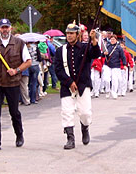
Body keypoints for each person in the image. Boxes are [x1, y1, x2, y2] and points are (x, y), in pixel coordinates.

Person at [0, 18, 32, 152]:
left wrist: (16, 70)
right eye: (2, 27)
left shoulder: (19, 43)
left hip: (12, 83)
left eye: (7, 27)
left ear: (10, 28)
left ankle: (19, 135)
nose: (4, 30)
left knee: (14, 112)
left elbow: (28, 61)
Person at [54, 22, 101, 150]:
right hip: (66, 86)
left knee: (85, 113)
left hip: (83, 84)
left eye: (72, 33)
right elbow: (58, 69)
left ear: (77, 34)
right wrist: (69, 82)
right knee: (67, 112)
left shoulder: (86, 48)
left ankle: (85, 128)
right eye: (68, 33)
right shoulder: (60, 51)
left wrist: (93, 40)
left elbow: (96, 54)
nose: (69, 36)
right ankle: (70, 138)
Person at [102, 35, 126, 99]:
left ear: (116, 40)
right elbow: (102, 55)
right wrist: (104, 53)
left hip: (116, 65)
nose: (112, 40)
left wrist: (124, 65)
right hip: (107, 64)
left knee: (115, 80)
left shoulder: (119, 48)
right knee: (106, 79)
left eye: (113, 39)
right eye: (111, 39)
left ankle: (114, 92)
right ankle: (107, 91)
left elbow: (123, 56)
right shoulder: (107, 46)